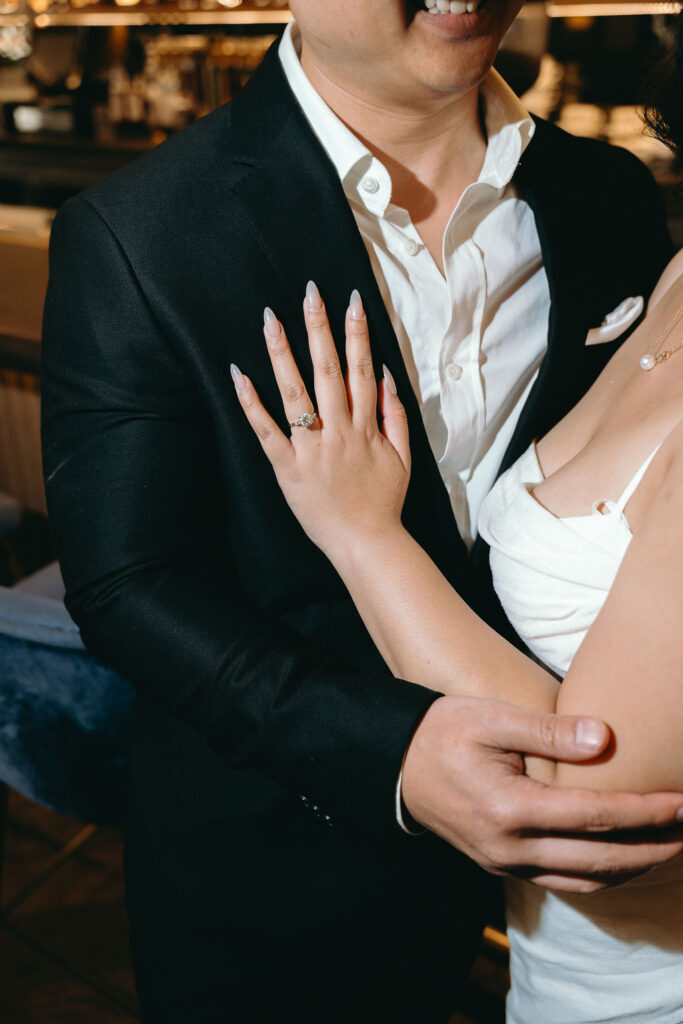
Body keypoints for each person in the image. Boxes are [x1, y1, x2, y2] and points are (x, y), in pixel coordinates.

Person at [41, 2, 683, 1021]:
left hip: (586, 878)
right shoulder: (143, 230)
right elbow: (127, 583)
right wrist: (387, 751)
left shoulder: (605, 193)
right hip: (286, 863)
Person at [233, 13, 683, 1022]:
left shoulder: (596, 198)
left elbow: (595, 811)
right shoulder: (667, 268)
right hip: (525, 955)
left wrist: (363, 536)